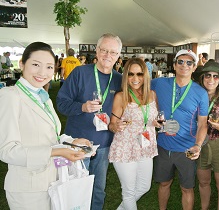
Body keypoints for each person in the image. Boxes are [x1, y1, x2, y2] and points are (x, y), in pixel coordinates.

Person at [0, 42, 91, 209]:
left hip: (52, 183)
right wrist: (57, 152)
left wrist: (73, 142)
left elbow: (51, 136)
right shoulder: (10, 96)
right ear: (22, 64)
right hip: (28, 190)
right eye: (36, 65)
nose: (43, 72)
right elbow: (7, 151)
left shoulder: (43, 96)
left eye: (49, 67)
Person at [57, 33, 123, 210]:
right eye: (104, 50)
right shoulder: (80, 73)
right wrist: (82, 107)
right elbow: (61, 103)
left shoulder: (119, 79)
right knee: (76, 187)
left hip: (104, 143)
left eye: (113, 52)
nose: (108, 55)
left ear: (118, 56)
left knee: (98, 189)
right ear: (97, 50)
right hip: (78, 143)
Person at [151, 49, 208, 210]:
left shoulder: (201, 93)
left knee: (187, 188)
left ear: (194, 67)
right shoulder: (160, 83)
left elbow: (203, 124)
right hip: (164, 145)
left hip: (187, 148)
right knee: (164, 183)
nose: (185, 65)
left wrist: (197, 145)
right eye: (181, 62)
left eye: (189, 62)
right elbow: (138, 86)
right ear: (174, 65)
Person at [108, 58, 158, 209]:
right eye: (131, 74)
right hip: (125, 148)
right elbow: (111, 124)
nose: (135, 79)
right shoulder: (121, 96)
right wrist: (115, 126)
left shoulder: (152, 95)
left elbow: (151, 118)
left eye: (139, 74)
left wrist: (156, 123)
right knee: (129, 192)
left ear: (146, 75)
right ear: (125, 76)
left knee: (144, 187)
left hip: (145, 146)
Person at [194, 61, 219, 210]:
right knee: (203, 182)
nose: (211, 79)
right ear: (202, 78)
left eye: (216, 76)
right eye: (208, 76)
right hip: (201, 145)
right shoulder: (196, 97)